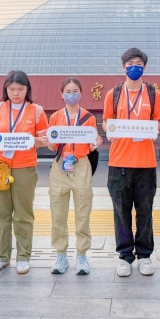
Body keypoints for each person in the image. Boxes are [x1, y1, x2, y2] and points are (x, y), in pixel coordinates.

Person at [103, 47, 160, 278]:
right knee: (121, 212)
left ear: (144, 67)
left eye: (138, 64)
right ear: (123, 67)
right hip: (119, 162)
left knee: (145, 212)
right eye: (130, 64)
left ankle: (145, 255)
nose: (134, 67)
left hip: (146, 163)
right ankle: (125, 256)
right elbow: (106, 122)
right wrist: (109, 130)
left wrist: (152, 131)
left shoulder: (153, 94)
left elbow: (158, 123)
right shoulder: (114, 94)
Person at [0, 70, 49, 276]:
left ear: (27, 89)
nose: (15, 93)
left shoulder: (36, 111)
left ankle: (23, 257)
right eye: (11, 89)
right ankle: (1, 257)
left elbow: (44, 141)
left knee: (23, 214)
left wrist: (29, 140)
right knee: (0, 213)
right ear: (5, 89)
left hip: (25, 167)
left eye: (20, 89)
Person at [46, 78, 103, 275]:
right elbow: (53, 145)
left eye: (75, 90)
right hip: (60, 166)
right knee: (58, 213)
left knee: (83, 212)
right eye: (68, 91)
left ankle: (81, 255)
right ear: (62, 94)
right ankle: (61, 255)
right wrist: (49, 143)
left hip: (81, 165)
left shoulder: (88, 118)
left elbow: (91, 144)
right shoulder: (55, 117)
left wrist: (94, 145)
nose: (72, 94)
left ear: (81, 93)